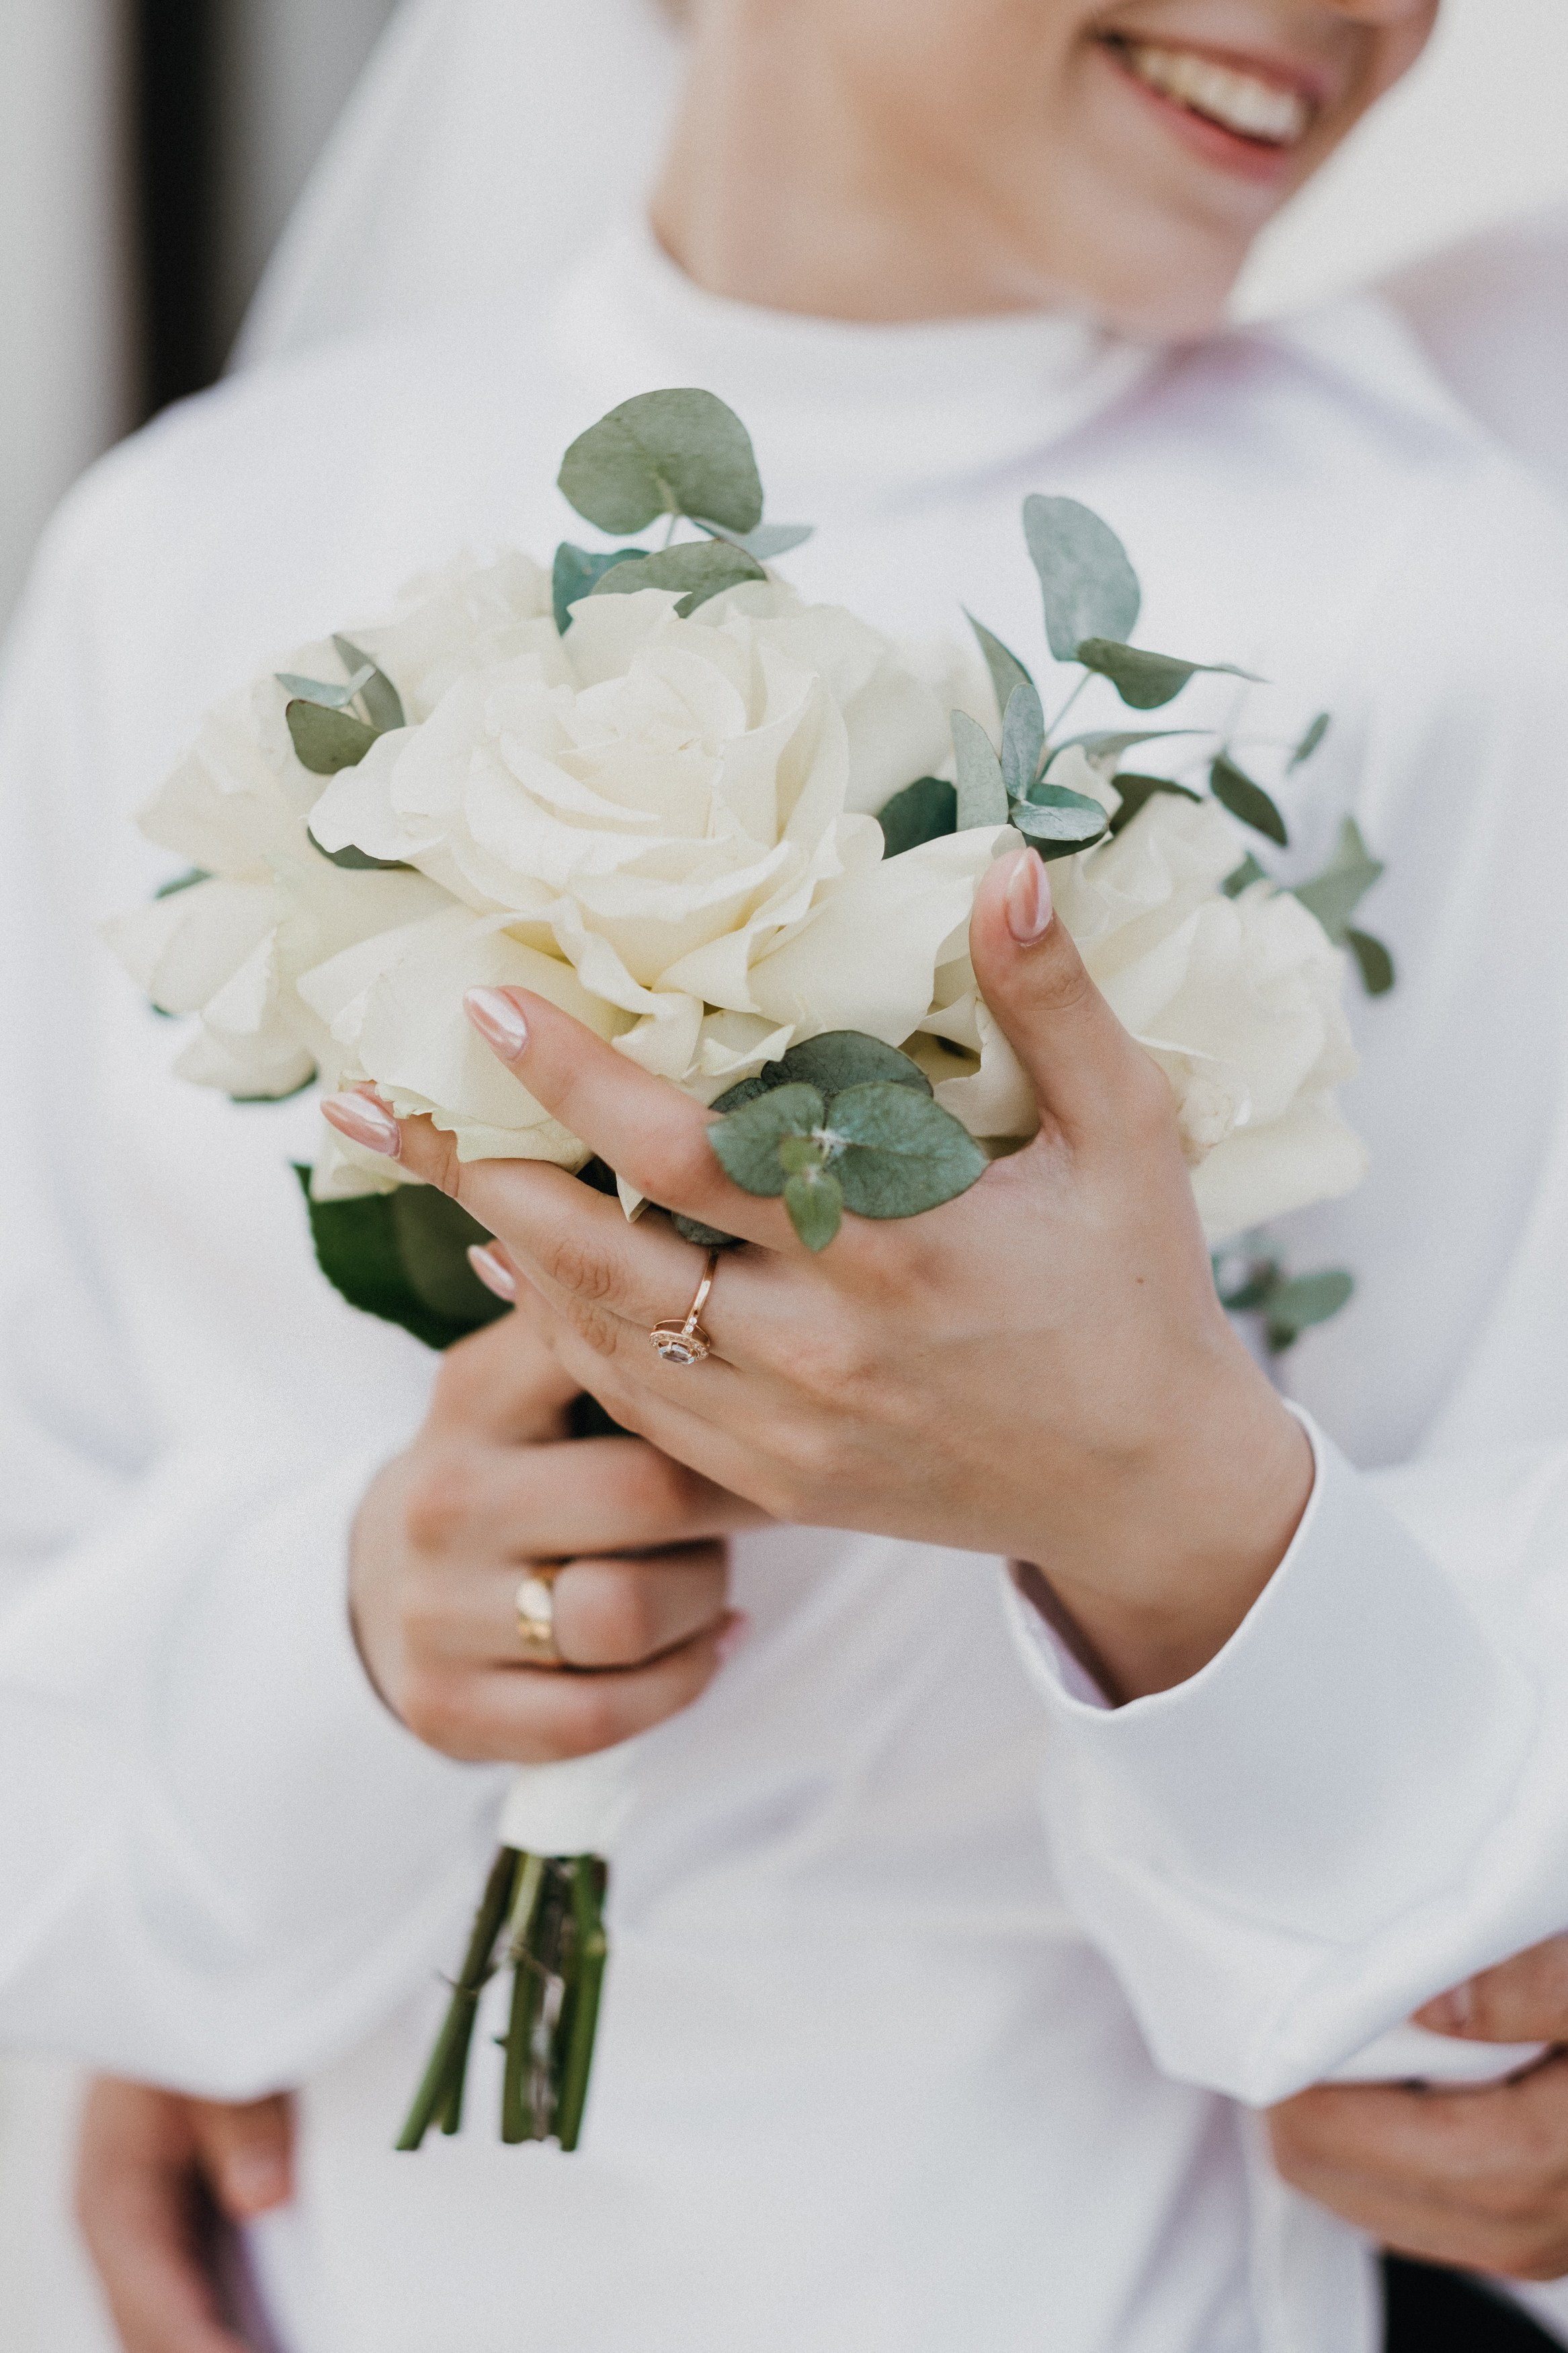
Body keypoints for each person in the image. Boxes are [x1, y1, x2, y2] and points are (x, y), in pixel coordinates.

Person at [10, 1, 1568, 2349]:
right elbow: (49, 1629)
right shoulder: (189, 553)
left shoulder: (1462, 614)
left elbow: (1480, 1903)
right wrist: (350, 1632)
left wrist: (1154, 1495)